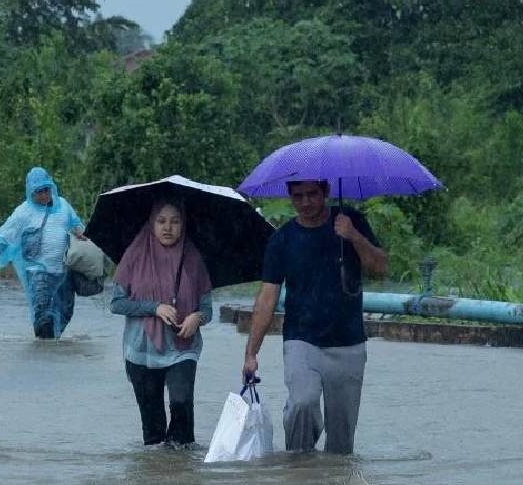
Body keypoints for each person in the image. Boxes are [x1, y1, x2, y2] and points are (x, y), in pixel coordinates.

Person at [242, 180, 387, 455]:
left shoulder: (351, 221)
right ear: (290, 197)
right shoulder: (282, 239)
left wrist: (353, 236)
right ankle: (299, 469)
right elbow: (267, 298)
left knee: (341, 443)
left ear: (326, 193)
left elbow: (380, 267)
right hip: (301, 340)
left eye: (312, 194)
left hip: (348, 342)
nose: (306, 202)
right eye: (298, 196)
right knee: (302, 403)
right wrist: (251, 352)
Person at [110, 200, 213, 447]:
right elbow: (117, 303)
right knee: (153, 429)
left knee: (181, 405)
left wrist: (196, 317)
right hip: (142, 351)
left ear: (183, 225)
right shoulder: (134, 254)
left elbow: (208, 309)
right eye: (161, 221)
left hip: (182, 347)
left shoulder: (193, 258)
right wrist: (154, 307)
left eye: (175, 221)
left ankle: (184, 470)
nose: (168, 227)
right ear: (152, 223)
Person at [0, 167, 86, 339]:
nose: (43, 195)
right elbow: (2, 238)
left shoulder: (63, 206)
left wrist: (82, 234)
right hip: (38, 271)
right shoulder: (23, 213)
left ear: (51, 187)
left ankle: (51, 346)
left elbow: (76, 225)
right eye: (38, 191)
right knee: (43, 315)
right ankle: (43, 353)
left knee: (65, 312)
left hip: (64, 271)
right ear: (31, 192)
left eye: (46, 189)